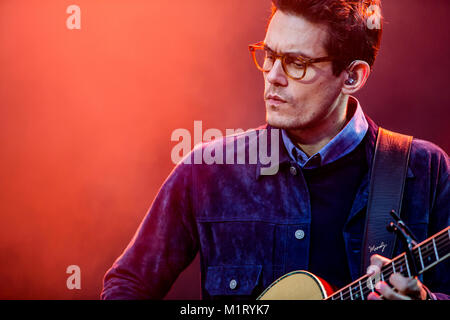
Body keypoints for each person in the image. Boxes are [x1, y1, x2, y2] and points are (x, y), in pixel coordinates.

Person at [101, 0, 449, 300]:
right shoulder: (207, 170)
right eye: (269, 55)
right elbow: (127, 283)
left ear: (352, 77)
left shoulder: (425, 170)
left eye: (297, 63)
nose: (273, 76)